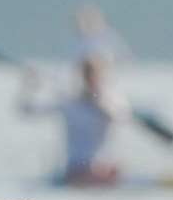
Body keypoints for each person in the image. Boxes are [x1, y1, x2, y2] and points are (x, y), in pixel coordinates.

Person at [18, 55, 130, 186]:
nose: (89, 82)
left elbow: (122, 117)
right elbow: (27, 109)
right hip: (76, 170)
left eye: (93, 77)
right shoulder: (68, 102)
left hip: (103, 170)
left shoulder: (111, 100)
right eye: (86, 77)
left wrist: (98, 102)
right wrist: (30, 85)